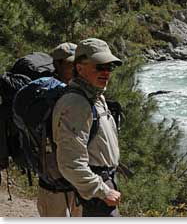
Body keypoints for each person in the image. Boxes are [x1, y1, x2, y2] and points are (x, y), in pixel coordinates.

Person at [53, 38, 123, 217]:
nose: (106, 72)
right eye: (99, 66)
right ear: (79, 68)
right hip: (94, 193)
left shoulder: (95, 97)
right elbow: (70, 164)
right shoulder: (76, 104)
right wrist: (102, 191)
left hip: (100, 187)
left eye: (109, 67)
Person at [36, 42, 83, 217]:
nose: (75, 68)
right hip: (53, 182)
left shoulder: (82, 93)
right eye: (70, 64)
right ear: (57, 64)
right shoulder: (47, 94)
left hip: (78, 181)